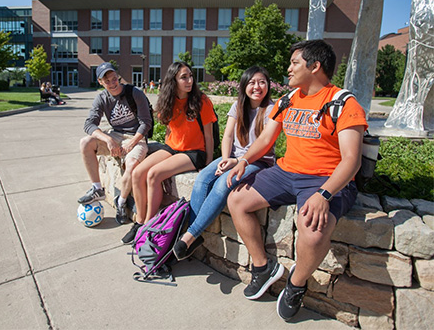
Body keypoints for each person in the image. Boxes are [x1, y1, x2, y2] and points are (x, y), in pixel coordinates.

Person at [226, 40, 368, 321]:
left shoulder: (344, 103)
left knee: (314, 232)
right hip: (285, 173)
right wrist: (243, 159)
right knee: (237, 199)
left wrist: (324, 195)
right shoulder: (288, 99)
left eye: (294, 63)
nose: (288, 69)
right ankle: (263, 266)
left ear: (314, 66)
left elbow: (352, 159)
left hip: (325, 179)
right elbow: (266, 139)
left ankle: (296, 284)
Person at [173, 66, 275, 260]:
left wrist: (236, 162)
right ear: (244, 85)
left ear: (268, 85)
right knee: (203, 177)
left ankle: (189, 235)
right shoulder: (238, 106)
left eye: (262, 82)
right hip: (233, 157)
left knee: (223, 183)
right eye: (252, 82)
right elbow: (227, 136)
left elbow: (265, 145)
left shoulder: (271, 109)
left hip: (258, 161)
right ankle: (193, 236)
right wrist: (227, 158)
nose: (257, 87)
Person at [122, 62, 217, 244]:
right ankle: (139, 222)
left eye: (190, 76)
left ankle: (148, 226)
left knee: (153, 175)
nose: (189, 80)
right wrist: (167, 149)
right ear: (173, 80)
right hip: (172, 148)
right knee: (137, 173)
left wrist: (207, 165)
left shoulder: (201, 101)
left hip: (194, 152)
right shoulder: (169, 100)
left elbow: (209, 136)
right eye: (184, 77)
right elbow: (169, 130)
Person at [79, 62, 153, 225]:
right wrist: (108, 140)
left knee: (132, 165)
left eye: (114, 79)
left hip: (136, 137)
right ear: (100, 82)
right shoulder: (101, 98)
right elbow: (89, 124)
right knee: (86, 143)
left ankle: (121, 202)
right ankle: (98, 189)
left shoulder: (134, 93)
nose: (112, 84)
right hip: (116, 135)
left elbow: (146, 123)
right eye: (107, 81)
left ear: (118, 77)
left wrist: (132, 143)